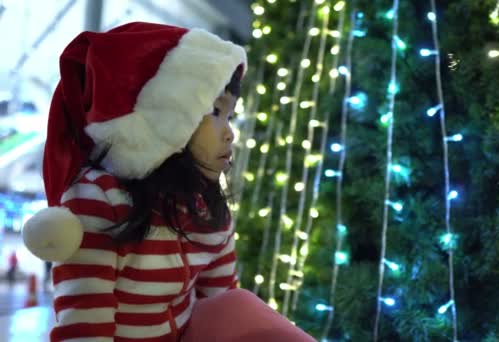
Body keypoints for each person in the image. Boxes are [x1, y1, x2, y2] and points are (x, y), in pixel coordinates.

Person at [21, 22, 315, 342]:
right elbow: (85, 321)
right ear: (165, 116)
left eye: (230, 116)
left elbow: (223, 306)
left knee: (241, 304)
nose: (229, 132)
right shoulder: (100, 197)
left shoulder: (207, 206)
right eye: (214, 112)